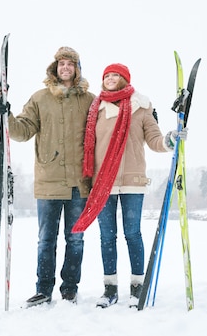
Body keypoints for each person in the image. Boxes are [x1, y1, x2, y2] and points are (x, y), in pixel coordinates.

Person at [71, 63, 185, 308]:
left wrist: (169, 139)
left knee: (132, 234)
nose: (110, 79)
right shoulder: (96, 109)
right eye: (107, 75)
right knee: (107, 237)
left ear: (125, 79)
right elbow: (85, 145)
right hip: (103, 183)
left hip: (133, 182)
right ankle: (110, 289)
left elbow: (154, 140)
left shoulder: (141, 108)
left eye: (115, 75)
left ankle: (137, 286)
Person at [0, 46, 95, 307]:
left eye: (70, 64)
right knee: (46, 240)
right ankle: (43, 290)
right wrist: (6, 116)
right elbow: (23, 131)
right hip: (48, 182)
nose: (65, 68)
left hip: (79, 184)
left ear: (77, 68)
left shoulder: (90, 100)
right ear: (55, 68)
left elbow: (107, 126)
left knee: (75, 239)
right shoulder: (40, 98)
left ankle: (70, 288)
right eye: (61, 64)